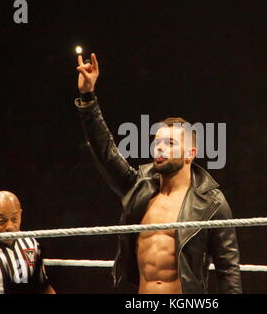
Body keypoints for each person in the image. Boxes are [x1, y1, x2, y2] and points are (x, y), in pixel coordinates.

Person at [74, 53, 242, 294]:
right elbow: (105, 153)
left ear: (190, 153)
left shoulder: (212, 203)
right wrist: (88, 98)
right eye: (157, 141)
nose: (160, 147)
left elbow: (228, 270)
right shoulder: (138, 186)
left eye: (170, 142)